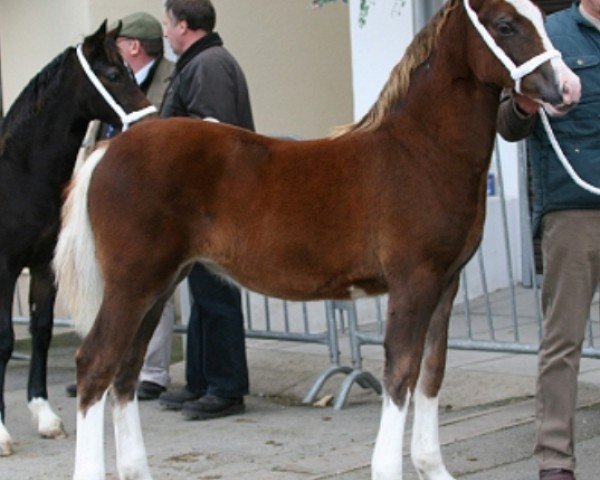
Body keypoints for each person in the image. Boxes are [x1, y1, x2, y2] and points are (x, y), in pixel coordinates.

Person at [496, 2, 600, 479]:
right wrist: (526, 104)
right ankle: (555, 460)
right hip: (573, 210)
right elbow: (509, 125)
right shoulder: (547, 36)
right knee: (564, 340)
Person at [65, 11, 175, 400]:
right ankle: (103, 359)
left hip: (151, 195)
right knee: (115, 282)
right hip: (114, 193)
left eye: (118, 44)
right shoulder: (115, 79)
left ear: (133, 46)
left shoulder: (166, 81)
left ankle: (152, 371)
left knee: (152, 282)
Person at [157, 0, 253, 421]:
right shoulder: (199, 62)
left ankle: (226, 389)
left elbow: (213, 139)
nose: (164, 32)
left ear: (183, 25)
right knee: (203, 295)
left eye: (167, 23)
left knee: (217, 297)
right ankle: (201, 382)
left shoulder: (209, 65)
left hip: (217, 206)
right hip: (203, 207)